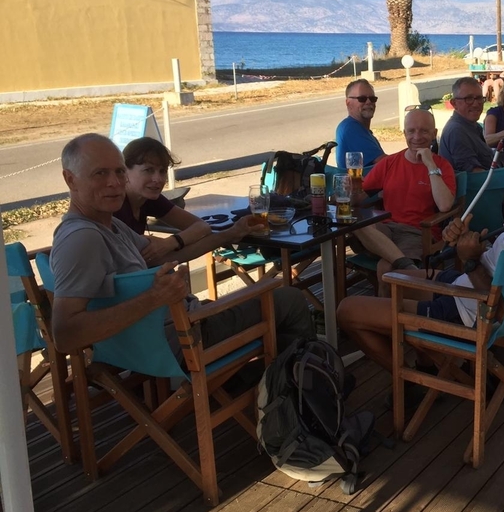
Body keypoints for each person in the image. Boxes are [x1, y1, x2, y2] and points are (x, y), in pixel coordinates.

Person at [48, 133, 315, 361]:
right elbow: (65, 335)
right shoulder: (82, 238)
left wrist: (233, 233)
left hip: (170, 331)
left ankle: (270, 381)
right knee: (288, 298)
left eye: (118, 172)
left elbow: (177, 254)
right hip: (179, 340)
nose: (115, 183)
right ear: (70, 180)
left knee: (272, 311)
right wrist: (155, 297)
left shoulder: (110, 226)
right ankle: (304, 388)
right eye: (100, 173)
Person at [337, 140, 504, 373]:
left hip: (468, 310)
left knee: (347, 310)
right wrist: (470, 241)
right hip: (465, 287)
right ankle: (426, 361)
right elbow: (503, 267)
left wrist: (472, 260)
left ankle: (415, 376)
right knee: (391, 276)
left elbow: (500, 311)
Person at [351, 109, 456, 291]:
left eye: (424, 131)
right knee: (356, 221)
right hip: (386, 228)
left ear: (434, 134)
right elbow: (359, 198)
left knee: (386, 269)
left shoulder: (442, 166)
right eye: (411, 131)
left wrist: (430, 165)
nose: (417, 137)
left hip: (418, 232)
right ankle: (407, 265)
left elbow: (445, 205)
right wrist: (348, 191)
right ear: (404, 133)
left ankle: (389, 317)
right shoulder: (390, 163)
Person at [115, 137, 214, 264]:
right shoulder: (114, 205)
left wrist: (170, 243)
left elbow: (202, 227)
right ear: (125, 171)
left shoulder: (149, 198)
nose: (158, 179)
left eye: (162, 171)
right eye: (148, 170)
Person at [439, 77, 499, 172]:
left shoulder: (473, 126)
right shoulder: (456, 131)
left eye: (479, 98)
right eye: (469, 99)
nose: (476, 104)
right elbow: (474, 174)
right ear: (454, 103)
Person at [335, 79, 385, 169]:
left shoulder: (363, 130)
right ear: (348, 103)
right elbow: (385, 163)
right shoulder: (351, 128)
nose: (369, 102)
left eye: (372, 99)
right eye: (362, 99)